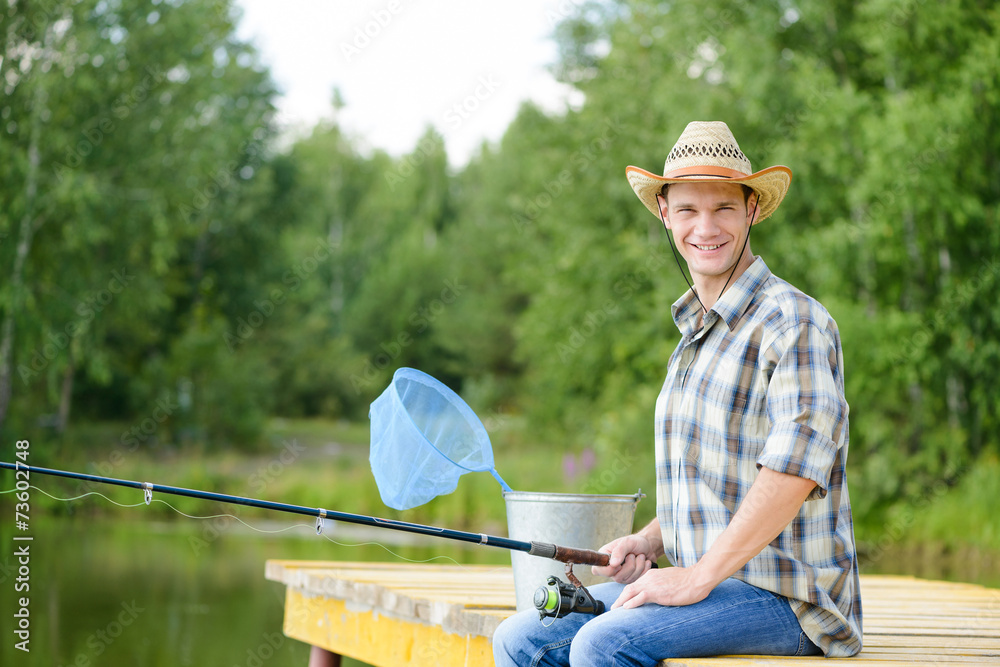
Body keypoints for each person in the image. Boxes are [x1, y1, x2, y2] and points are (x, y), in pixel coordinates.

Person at [492, 121, 862, 666]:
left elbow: (795, 472)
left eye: (724, 208)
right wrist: (649, 542)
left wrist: (696, 578)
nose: (705, 227)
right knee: (519, 638)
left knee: (604, 642)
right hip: (708, 583)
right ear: (665, 214)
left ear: (752, 210)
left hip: (789, 598)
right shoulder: (695, 333)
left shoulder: (794, 323)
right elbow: (714, 483)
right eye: (688, 209)